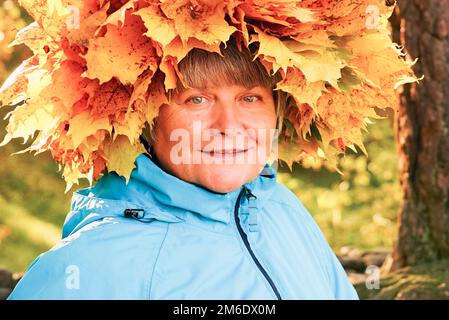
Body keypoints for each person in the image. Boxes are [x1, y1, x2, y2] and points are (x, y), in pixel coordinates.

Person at [7, 41, 358, 300]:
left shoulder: (282, 209)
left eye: (249, 98)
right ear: (143, 118)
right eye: (197, 99)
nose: (229, 125)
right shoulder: (91, 267)